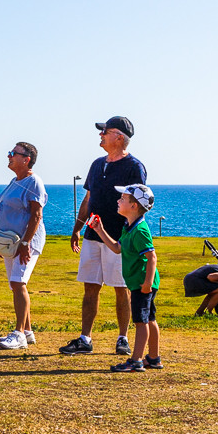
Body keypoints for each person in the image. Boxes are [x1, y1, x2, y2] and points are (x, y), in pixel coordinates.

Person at [60, 116, 145, 358]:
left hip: (118, 238)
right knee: (90, 287)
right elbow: (88, 199)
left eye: (105, 131)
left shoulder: (134, 167)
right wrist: (77, 229)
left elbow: (138, 204)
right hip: (92, 236)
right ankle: (85, 339)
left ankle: (122, 339)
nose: (101, 135)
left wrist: (130, 236)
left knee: (121, 287)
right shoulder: (97, 164)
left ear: (119, 137)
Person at [90, 184, 163, 372]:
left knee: (141, 321)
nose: (118, 200)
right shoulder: (129, 227)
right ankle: (154, 358)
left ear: (134, 206)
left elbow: (152, 257)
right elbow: (117, 248)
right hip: (141, 282)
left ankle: (136, 360)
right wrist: (100, 230)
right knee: (150, 319)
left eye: (122, 199)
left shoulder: (140, 231)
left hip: (142, 283)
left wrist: (147, 283)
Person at [0, 142, 47, 350]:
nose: (9, 156)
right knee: (15, 285)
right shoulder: (14, 181)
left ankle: (19, 335)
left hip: (25, 242)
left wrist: (25, 243)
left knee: (18, 282)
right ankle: (28, 331)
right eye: (10, 152)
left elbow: (36, 215)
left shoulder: (34, 182)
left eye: (13, 153)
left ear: (26, 159)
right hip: (10, 242)